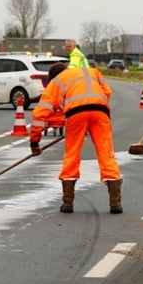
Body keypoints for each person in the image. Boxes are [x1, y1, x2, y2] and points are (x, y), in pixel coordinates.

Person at [30, 63, 124, 213]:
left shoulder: (56, 81)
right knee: (106, 153)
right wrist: (91, 114)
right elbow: (107, 92)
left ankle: (67, 203)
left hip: (75, 115)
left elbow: (40, 113)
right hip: (100, 112)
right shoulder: (92, 71)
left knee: (72, 154)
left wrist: (34, 142)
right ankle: (115, 202)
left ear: (53, 76)